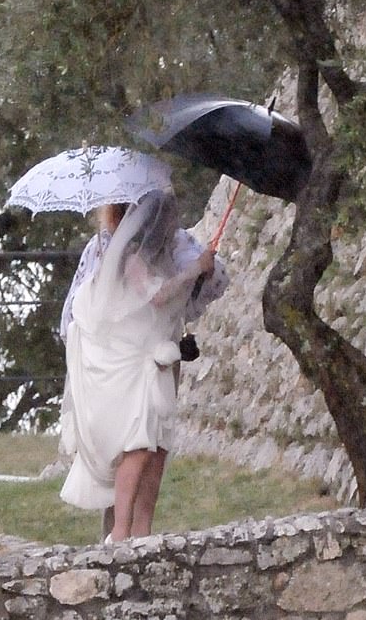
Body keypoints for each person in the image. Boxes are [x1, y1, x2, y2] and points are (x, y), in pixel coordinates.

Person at [59, 190, 218, 541]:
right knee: (138, 440)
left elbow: (172, 302)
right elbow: (156, 296)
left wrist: (201, 271)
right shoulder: (128, 258)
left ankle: (142, 530)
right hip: (132, 363)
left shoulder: (162, 255)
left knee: (156, 442)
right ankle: (120, 531)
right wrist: (195, 270)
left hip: (156, 354)